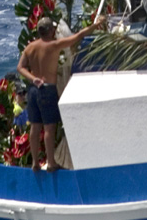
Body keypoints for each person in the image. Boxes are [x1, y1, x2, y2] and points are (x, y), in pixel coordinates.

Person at [16, 15, 106, 172]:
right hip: (47, 89)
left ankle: (35, 162)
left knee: (35, 127)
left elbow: (20, 67)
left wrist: (33, 78)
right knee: (49, 128)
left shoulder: (30, 47)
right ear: (51, 31)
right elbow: (79, 36)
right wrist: (96, 25)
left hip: (32, 90)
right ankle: (51, 162)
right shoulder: (54, 45)